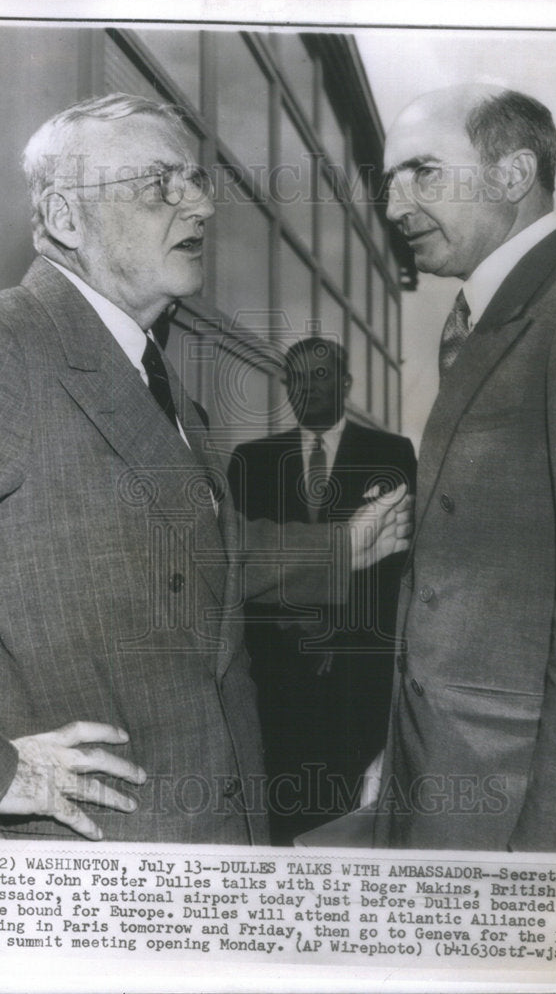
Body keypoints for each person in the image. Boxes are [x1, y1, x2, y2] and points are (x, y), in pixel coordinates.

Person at [0, 93, 412, 844]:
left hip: (218, 828)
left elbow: (190, 557)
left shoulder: (152, 369)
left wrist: (344, 546)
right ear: (64, 217)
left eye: (196, 180)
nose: (199, 206)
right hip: (93, 865)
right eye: (160, 183)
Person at [368, 84, 556, 853]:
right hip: (439, 781)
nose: (393, 206)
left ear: (512, 173)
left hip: (518, 809)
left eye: (422, 172)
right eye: (389, 180)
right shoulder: (482, 317)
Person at [228, 338, 416, 843]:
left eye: (322, 377)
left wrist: (335, 625)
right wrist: (292, 620)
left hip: (357, 676)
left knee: (353, 814)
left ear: (346, 384)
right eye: (297, 380)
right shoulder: (250, 460)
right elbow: (238, 561)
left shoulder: (391, 454)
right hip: (278, 678)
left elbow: (397, 568)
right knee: (282, 812)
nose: (309, 390)